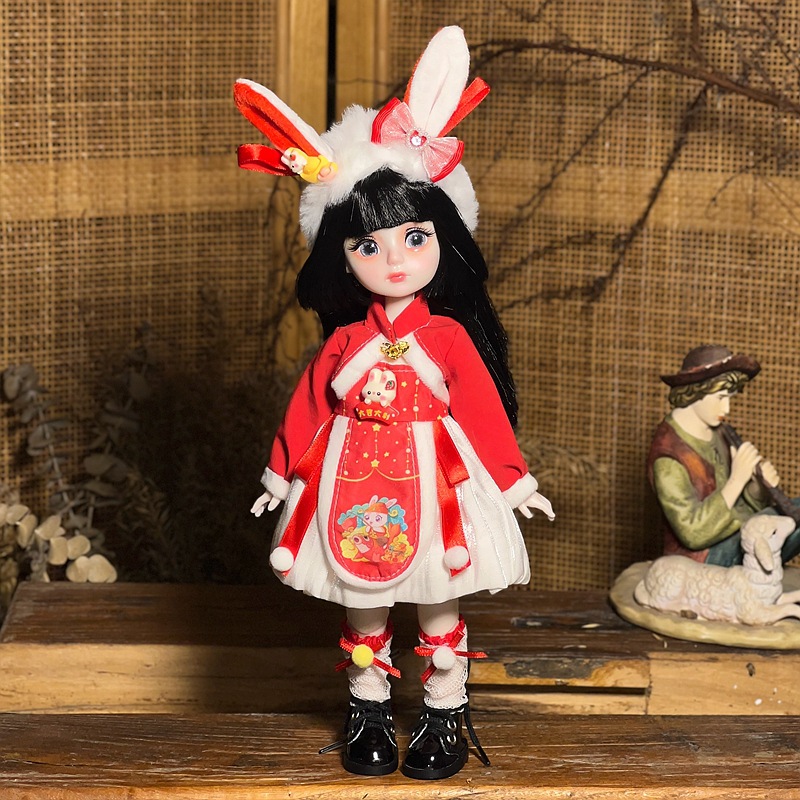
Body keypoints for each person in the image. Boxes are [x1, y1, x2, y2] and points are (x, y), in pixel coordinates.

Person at [235, 27, 553, 781]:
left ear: (445, 237)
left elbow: (481, 410)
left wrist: (513, 481)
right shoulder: (347, 341)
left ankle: (443, 709)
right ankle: (368, 707)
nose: (395, 260)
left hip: (435, 476)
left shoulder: (446, 337)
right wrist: (281, 471)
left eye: (414, 237)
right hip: (352, 475)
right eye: (368, 245)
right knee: (363, 599)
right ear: (341, 256)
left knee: (438, 601)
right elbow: (309, 404)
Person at [647, 344, 800, 566]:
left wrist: (757, 486)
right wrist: (737, 480)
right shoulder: (669, 457)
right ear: (696, 391)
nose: (726, 409)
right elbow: (692, 533)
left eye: (729, 398)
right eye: (720, 398)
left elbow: (741, 506)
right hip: (702, 559)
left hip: (735, 533)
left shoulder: (718, 432)